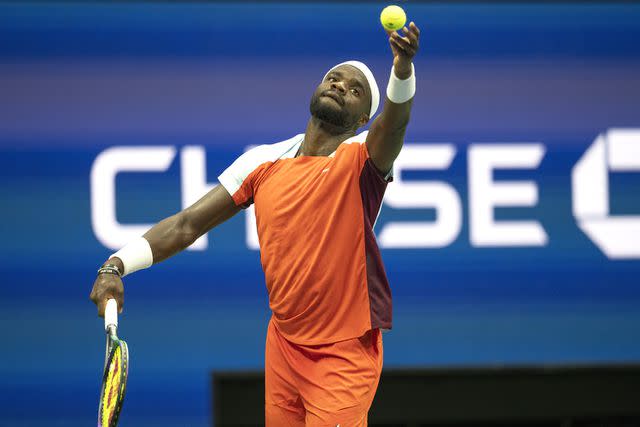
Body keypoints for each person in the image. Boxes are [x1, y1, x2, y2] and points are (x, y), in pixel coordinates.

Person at [90, 22, 420, 427]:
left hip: (343, 352)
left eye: (354, 90)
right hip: (284, 343)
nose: (339, 86)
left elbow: (395, 123)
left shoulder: (361, 160)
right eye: (333, 79)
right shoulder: (262, 162)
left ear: (363, 117)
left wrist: (402, 68)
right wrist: (116, 265)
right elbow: (186, 225)